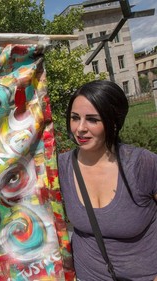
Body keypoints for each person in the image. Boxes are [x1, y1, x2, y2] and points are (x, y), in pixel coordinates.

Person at [57, 80, 157, 281]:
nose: (80, 128)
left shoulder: (140, 164)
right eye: (75, 118)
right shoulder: (60, 167)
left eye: (92, 119)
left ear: (113, 121)